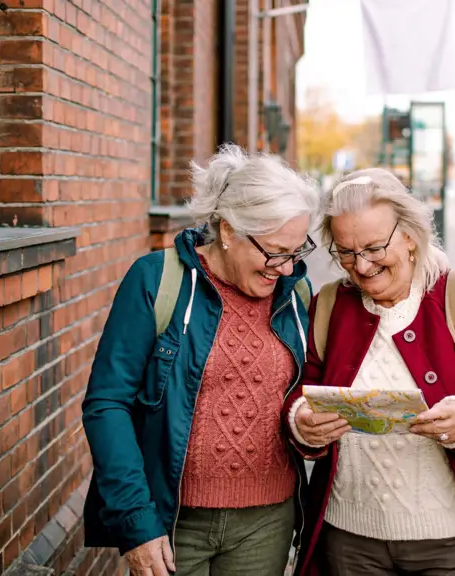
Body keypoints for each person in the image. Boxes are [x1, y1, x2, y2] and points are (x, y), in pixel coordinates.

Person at [82, 144, 320, 576]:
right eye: (274, 252)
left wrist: (307, 427)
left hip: (267, 523)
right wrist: (136, 522)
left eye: (296, 250)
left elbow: (297, 399)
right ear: (228, 231)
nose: (286, 269)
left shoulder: (294, 296)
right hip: (174, 523)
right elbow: (107, 404)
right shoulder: (158, 279)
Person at [282, 168, 455, 576]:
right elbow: (301, 390)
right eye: (345, 252)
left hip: (452, 542)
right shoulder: (329, 305)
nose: (360, 266)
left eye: (375, 248)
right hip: (348, 539)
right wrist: (302, 422)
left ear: (411, 235)